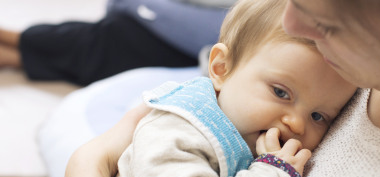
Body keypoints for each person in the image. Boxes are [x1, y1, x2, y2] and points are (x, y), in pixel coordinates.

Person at [29, 0, 357, 177]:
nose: (297, 124)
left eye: (318, 115)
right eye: (281, 92)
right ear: (220, 70)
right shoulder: (182, 130)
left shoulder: (242, 134)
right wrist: (275, 176)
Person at [0, 0, 234, 86]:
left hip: (198, 45)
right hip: (192, 39)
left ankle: (12, 47)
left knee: (110, 38)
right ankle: (13, 45)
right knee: (109, 35)